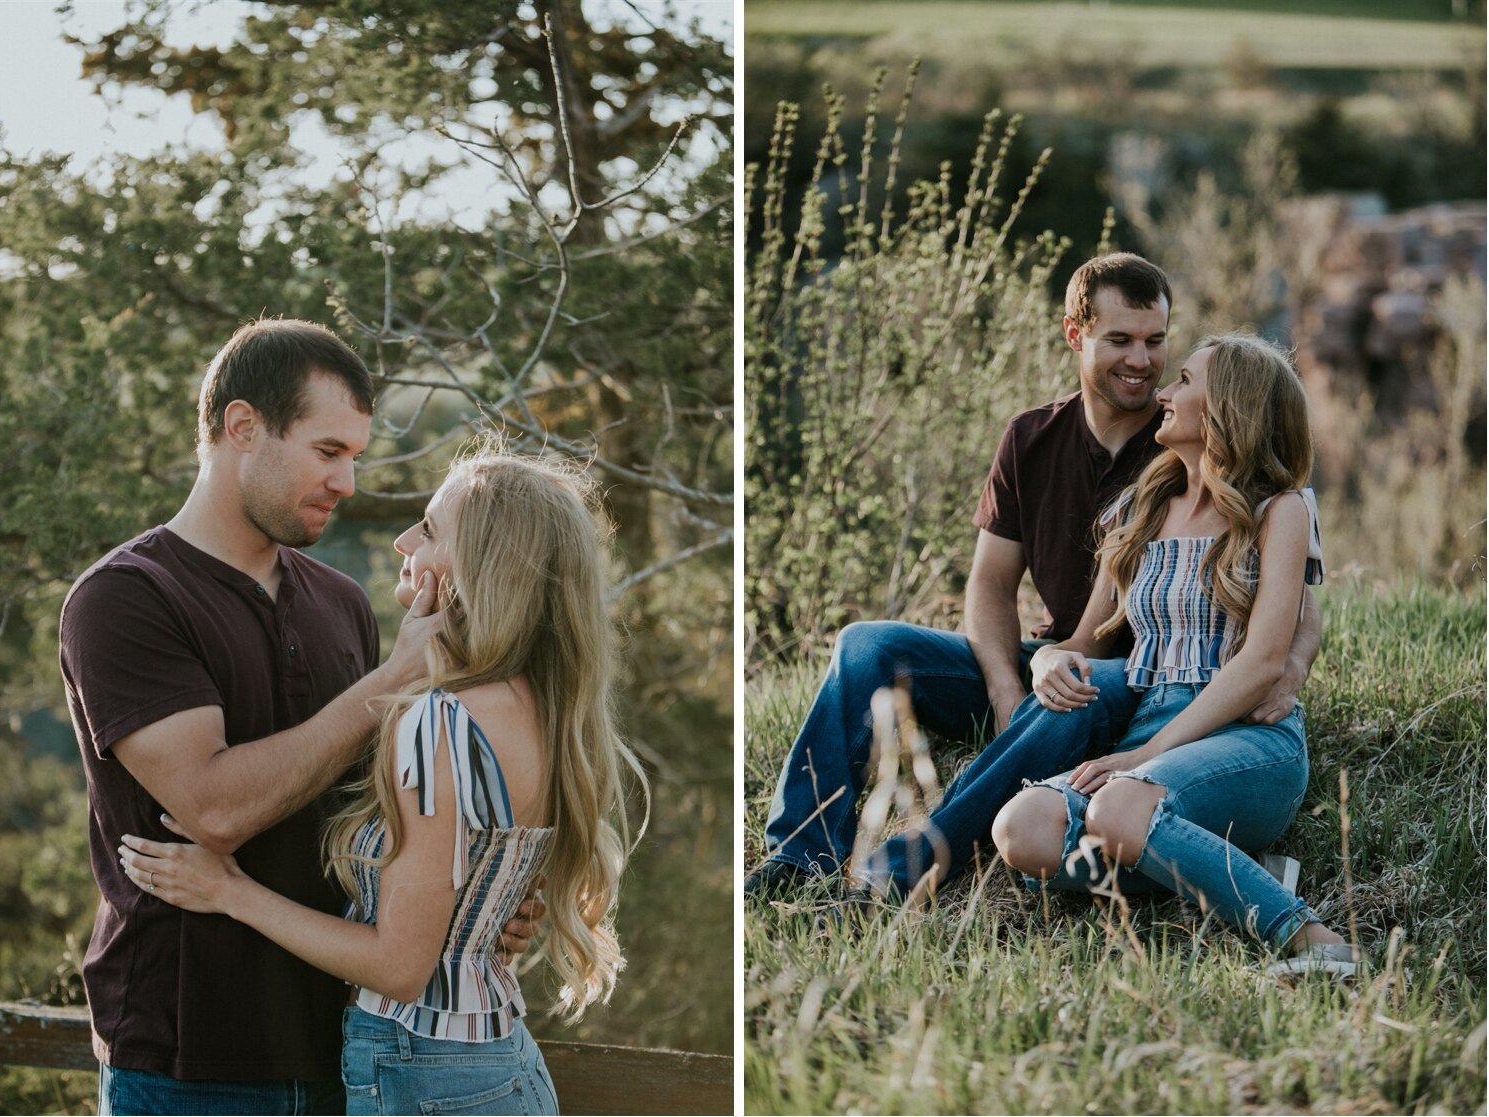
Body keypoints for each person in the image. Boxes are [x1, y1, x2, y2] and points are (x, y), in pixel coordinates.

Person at [60, 319, 537, 1116]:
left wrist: (476, 900)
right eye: (327, 452)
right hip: (186, 1057)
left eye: (355, 454)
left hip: (347, 1041)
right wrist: (391, 680)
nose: (348, 482)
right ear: (242, 427)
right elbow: (212, 808)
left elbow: (372, 815)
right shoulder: (125, 598)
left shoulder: (342, 602)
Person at [745, 254, 1321, 900]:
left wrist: (1291, 665)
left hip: (1133, 678)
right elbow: (991, 583)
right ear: (1076, 334)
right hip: (1061, 655)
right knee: (865, 646)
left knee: (1072, 691)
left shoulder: (1184, 447)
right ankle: (799, 854)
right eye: (1120, 340)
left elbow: (1293, 597)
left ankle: (912, 864)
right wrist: (1006, 685)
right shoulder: (1032, 439)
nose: (1143, 362)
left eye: (1156, 342)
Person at [119, 447, 647, 1113]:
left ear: (482, 563)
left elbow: (401, 966)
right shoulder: (546, 708)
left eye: (428, 528)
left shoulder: (439, 723)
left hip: (424, 1075)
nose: (403, 540)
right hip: (496, 1061)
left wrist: (229, 891)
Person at [988, 333, 1354, 975]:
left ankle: (1312, 940)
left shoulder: (1281, 511)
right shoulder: (1140, 506)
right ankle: (1229, 871)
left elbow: (1265, 660)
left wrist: (1144, 756)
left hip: (1246, 738)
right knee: (1023, 828)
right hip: (1150, 718)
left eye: (1183, 380)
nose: (1163, 392)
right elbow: (1082, 639)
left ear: (1227, 408)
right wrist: (1046, 659)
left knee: (1120, 804)